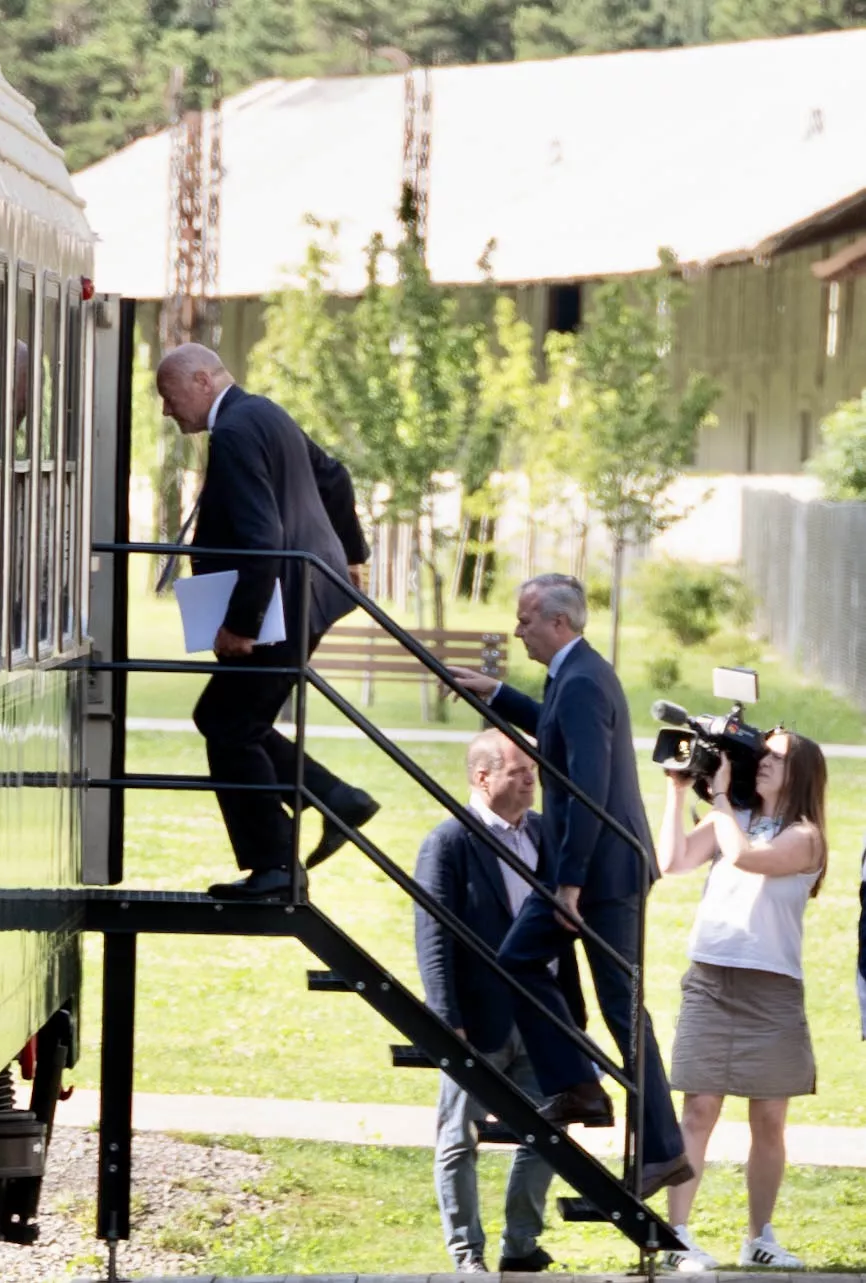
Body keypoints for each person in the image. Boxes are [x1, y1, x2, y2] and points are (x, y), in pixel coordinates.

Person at [447, 574, 693, 1198]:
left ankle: (660, 1150)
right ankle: (580, 1086)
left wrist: (570, 886)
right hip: (586, 869)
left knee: (620, 1009)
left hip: (600, 875)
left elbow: (583, 791)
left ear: (558, 623)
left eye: (525, 618)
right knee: (520, 961)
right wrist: (498, 693)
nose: (517, 628)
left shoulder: (581, 680)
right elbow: (555, 739)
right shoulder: (575, 673)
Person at [154, 344, 376, 900]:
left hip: (282, 603)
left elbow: (263, 538)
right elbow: (334, 476)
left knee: (229, 725)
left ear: (202, 380)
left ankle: (278, 866)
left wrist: (242, 625)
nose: (166, 410)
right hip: (305, 595)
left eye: (168, 395)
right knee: (229, 719)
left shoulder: (234, 430)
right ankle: (331, 798)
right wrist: (350, 558)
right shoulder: (265, 412)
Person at [653, 730, 828, 1271]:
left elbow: (747, 859)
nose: (764, 762)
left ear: (800, 771)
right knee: (699, 1109)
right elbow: (674, 861)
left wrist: (723, 798)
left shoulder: (806, 836)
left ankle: (759, 1237)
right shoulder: (733, 817)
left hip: (772, 988)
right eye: (764, 753)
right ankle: (676, 1234)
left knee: (769, 1120)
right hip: (712, 977)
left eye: (776, 756)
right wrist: (680, 792)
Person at [416, 731, 585, 1273]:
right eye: (519, 772)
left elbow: (566, 925)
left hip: (543, 1016)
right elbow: (434, 936)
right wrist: (448, 1021)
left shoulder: (544, 833)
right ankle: (467, 1254)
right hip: (479, 1021)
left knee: (549, 1133)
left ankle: (520, 1245)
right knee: (458, 1138)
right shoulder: (449, 842)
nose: (532, 780)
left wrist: (574, 1014)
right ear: (482, 778)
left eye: (533, 771)